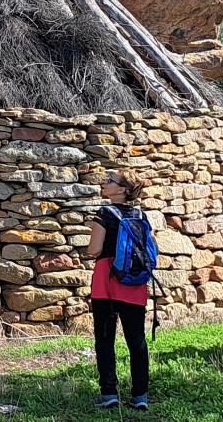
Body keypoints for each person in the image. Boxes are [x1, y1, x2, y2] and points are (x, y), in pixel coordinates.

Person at [86, 170, 154, 410]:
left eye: (110, 181)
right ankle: (140, 396)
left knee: (105, 338)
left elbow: (94, 250)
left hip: (107, 280)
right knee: (136, 339)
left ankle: (109, 394)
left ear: (123, 189)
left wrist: (92, 248)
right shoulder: (141, 215)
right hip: (134, 282)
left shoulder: (104, 213)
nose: (104, 183)